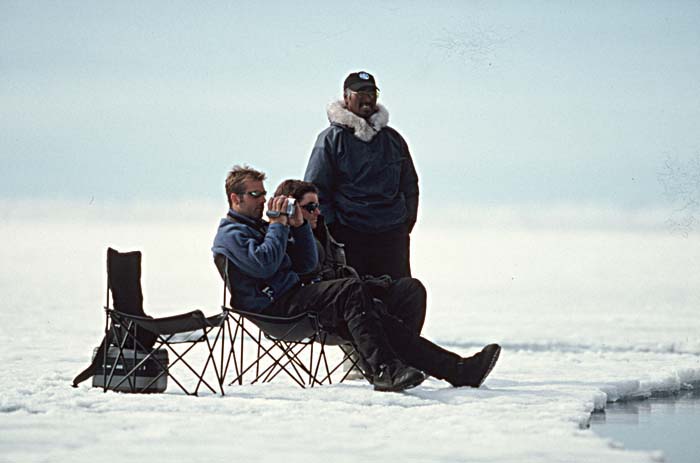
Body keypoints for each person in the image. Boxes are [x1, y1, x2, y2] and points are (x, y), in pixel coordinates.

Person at [212, 166, 501, 392]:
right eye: (255, 195)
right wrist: (277, 226)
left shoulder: (261, 228)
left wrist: (298, 228)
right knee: (351, 291)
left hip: (293, 299)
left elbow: (306, 265)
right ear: (235, 198)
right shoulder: (231, 235)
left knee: (375, 311)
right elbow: (263, 265)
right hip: (274, 311)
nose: (263, 200)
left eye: (263, 193)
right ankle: (384, 370)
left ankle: (458, 370)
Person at [304, 71, 418, 280]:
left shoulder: (394, 139)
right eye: (360, 92)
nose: (367, 97)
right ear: (346, 97)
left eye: (372, 92)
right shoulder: (330, 139)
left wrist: (405, 222)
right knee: (356, 300)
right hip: (348, 236)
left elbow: (410, 184)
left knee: (399, 297)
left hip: (392, 237)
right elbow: (315, 189)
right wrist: (333, 231)